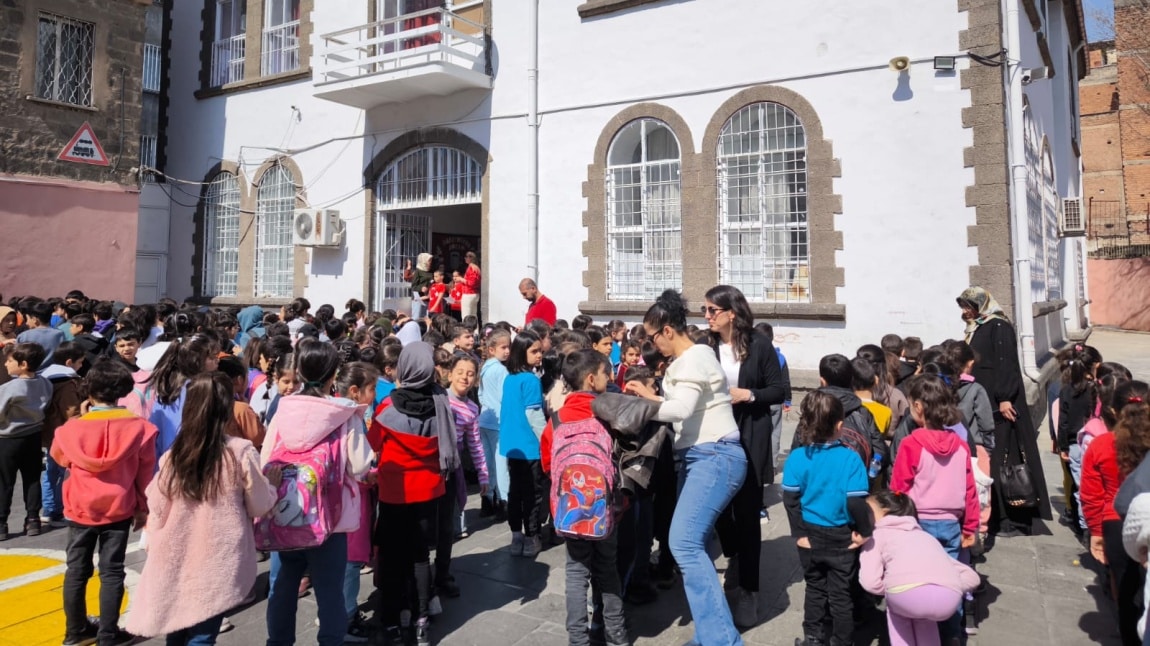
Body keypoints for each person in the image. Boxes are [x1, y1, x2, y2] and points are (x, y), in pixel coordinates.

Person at [624, 290, 746, 646]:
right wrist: (653, 400)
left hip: (715, 454)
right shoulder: (693, 358)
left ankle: (721, 639)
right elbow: (682, 406)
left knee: (685, 543)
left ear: (666, 330)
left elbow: (679, 412)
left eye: (650, 336)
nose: (650, 344)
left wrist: (642, 406)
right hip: (703, 456)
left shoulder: (692, 358)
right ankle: (714, 633)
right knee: (687, 544)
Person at [126, 373, 279, 645]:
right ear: (225, 409)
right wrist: (272, 487)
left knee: (177, 623)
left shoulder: (175, 454)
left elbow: (157, 503)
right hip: (219, 556)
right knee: (203, 633)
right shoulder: (240, 451)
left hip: (175, 551)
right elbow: (258, 504)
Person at [262, 339, 373, 646]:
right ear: (332, 375)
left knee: (282, 587)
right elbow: (361, 465)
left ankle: (278, 642)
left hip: (285, 512)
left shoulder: (283, 409)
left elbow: (266, 457)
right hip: (330, 517)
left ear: (298, 370)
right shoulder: (343, 415)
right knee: (330, 591)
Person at [51, 359, 157, 646]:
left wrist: (79, 420)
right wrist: (142, 508)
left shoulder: (70, 430)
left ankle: (74, 631)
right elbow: (145, 473)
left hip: (80, 508)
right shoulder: (140, 428)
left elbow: (60, 458)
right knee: (112, 571)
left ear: (89, 390)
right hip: (119, 507)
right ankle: (108, 634)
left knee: (76, 570)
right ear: (122, 390)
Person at [702, 285, 787, 627]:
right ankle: (734, 555)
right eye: (705, 310)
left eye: (712, 310)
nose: (706, 316)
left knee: (747, 512)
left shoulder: (759, 345)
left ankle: (749, 590)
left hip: (750, 433)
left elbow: (778, 390)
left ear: (730, 313)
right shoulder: (705, 345)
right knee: (718, 507)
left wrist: (747, 395)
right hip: (714, 433)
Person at [369, 342, 458, 646]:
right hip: (429, 488)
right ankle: (422, 618)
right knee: (421, 554)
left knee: (393, 555)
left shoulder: (387, 408)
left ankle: (394, 619)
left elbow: (373, 443)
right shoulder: (441, 404)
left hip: (395, 490)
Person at [549, 350, 631, 646]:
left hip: (569, 510)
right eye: (606, 374)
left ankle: (577, 639)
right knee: (607, 569)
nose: (609, 379)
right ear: (592, 378)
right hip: (605, 509)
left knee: (575, 573)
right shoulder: (608, 412)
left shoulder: (557, 417)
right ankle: (616, 634)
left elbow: (549, 464)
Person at [956, 287, 1052, 537]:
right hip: (985, 399)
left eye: (968, 306)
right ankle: (997, 512)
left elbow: (1005, 363)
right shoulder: (978, 326)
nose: (965, 311)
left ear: (980, 305)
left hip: (999, 402)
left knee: (1003, 455)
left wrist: (1005, 397)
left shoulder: (998, 327)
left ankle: (1011, 514)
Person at [782, 389, 872, 646]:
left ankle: (813, 637)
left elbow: (791, 500)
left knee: (814, 587)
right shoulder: (850, 459)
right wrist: (864, 531)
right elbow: (855, 502)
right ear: (840, 424)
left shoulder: (797, 457)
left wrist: (799, 534)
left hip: (809, 533)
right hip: (841, 534)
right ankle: (842, 641)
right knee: (841, 594)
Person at [859, 490, 980, 646]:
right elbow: (972, 577)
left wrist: (889, 588)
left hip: (904, 594)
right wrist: (946, 585)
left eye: (868, 512)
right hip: (947, 599)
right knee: (925, 620)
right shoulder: (927, 537)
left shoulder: (878, 535)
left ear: (885, 512)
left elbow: (869, 581)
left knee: (898, 610)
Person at [1084, 379, 1149, 645]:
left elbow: (1091, 495)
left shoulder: (1101, 446)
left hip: (1115, 524)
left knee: (1124, 594)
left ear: (1112, 410)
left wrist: (1096, 532)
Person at [441, 355, 487, 590]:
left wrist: (483, 473)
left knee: (448, 525)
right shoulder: (439, 400)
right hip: (435, 467)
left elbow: (475, 443)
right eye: (460, 372)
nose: (465, 377)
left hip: (454, 469)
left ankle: (443, 571)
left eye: (470, 373)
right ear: (450, 374)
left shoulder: (472, 408)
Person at [500, 330, 547, 558]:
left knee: (515, 492)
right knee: (532, 494)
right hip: (529, 447)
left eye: (540, 351)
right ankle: (531, 536)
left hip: (511, 445)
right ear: (522, 352)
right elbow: (534, 416)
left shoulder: (510, 378)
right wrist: (547, 440)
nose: (539, 355)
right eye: (534, 351)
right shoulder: (530, 380)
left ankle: (516, 535)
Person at [0, 343, 54, 539]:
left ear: (22, 364)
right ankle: (33, 520)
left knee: (5, 482)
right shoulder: (45, 383)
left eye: (10, 361)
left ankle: (1, 523)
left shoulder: (9, 388)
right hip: (33, 435)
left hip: (8, 438)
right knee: (32, 479)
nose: (6, 364)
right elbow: (46, 404)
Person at [39, 342, 84, 529]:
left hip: (47, 432)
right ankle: (53, 510)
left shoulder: (43, 377)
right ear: (69, 362)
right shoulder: (67, 383)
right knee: (60, 471)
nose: (81, 366)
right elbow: (72, 412)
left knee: (49, 470)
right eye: (80, 362)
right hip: (64, 433)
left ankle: (48, 508)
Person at [479, 328, 512, 519]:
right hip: (498, 421)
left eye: (508, 347)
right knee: (501, 465)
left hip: (484, 418)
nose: (507, 351)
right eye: (503, 347)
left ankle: (487, 498)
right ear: (492, 349)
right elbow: (505, 397)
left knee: (487, 463)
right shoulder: (501, 370)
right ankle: (504, 501)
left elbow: (482, 395)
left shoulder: (485, 367)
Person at [18, 301, 66, 365]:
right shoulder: (60, 334)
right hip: (53, 372)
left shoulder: (23, 336)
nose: (27, 323)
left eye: (28, 319)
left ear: (35, 319)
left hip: (30, 373)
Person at [405, 254, 434, 319]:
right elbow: (414, 286)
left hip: (427, 298)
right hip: (418, 298)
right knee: (417, 317)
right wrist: (421, 288)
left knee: (425, 318)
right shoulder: (418, 271)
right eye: (429, 261)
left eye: (430, 260)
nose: (430, 262)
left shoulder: (430, 271)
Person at [460, 251, 482, 320]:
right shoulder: (475, 268)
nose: (465, 258)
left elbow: (472, 283)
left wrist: (461, 279)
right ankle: (475, 330)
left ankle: (466, 330)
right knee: (473, 316)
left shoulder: (472, 268)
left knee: (466, 316)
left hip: (469, 293)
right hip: (474, 294)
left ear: (471, 258)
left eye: (466, 257)